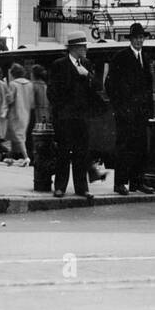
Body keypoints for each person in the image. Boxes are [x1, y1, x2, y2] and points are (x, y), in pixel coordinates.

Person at [48, 35, 107, 198]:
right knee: (64, 153)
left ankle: (82, 188)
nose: (85, 50)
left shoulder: (86, 65)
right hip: (65, 116)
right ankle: (60, 186)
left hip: (82, 116)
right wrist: (60, 110)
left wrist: (86, 74)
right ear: (73, 48)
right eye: (82, 47)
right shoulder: (59, 65)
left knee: (82, 152)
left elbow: (97, 86)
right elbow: (52, 91)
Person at [105, 22, 155, 195]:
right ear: (131, 39)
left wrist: (149, 110)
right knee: (124, 148)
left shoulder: (146, 58)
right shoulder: (121, 57)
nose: (139, 41)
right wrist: (120, 108)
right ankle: (120, 183)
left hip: (141, 113)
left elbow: (149, 87)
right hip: (126, 113)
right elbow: (110, 84)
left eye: (141, 38)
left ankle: (137, 181)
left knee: (141, 148)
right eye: (136, 38)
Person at [29, 63, 55, 192]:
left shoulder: (33, 86)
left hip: (37, 113)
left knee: (37, 141)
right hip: (46, 114)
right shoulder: (45, 85)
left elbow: (32, 104)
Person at [4, 63, 34, 165]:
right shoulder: (30, 84)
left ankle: (26, 157)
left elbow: (10, 99)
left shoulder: (13, 84)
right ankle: (10, 156)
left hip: (15, 112)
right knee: (17, 134)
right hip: (26, 111)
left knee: (18, 135)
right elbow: (32, 101)